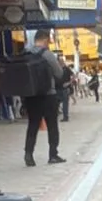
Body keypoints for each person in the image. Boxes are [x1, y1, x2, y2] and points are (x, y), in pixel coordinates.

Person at [22, 30, 66, 167]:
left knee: (33, 125)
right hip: (48, 95)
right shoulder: (47, 54)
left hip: (31, 96)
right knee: (52, 125)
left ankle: (28, 154)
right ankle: (53, 155)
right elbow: (59, 74)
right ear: (46, 39)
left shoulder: (26, 54)